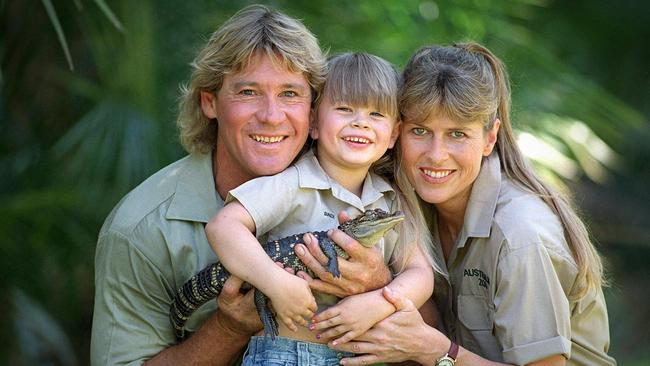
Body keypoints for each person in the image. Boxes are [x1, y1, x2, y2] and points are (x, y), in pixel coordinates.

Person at [90, 5, 393, 365]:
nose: (271, 116)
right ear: (210, 102)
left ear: (314, 111)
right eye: (248, 92)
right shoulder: (139, 229)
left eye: (290, 94)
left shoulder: (361, 185)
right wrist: (229, 329)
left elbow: (435, 330)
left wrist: (379, 283)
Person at [326, 42, 616, 365]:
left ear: (490, 138)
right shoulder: (405, 205)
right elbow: (427, 327)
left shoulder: (521, 237)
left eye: (457, 135)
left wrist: (438, 353)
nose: (436, 155)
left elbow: (429, 344)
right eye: (420, 131)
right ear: (398, 132)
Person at [206, 52, 434, 365]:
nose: (360, 122)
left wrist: (380, 303)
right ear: (314, 123)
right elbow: (224, 227)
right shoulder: (292, 183)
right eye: (344, 109)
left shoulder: (390, 200)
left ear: (393, 134)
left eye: (376, 114)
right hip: (285, 354)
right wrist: (277, 283)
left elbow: (419, 273)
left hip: (356, 357)